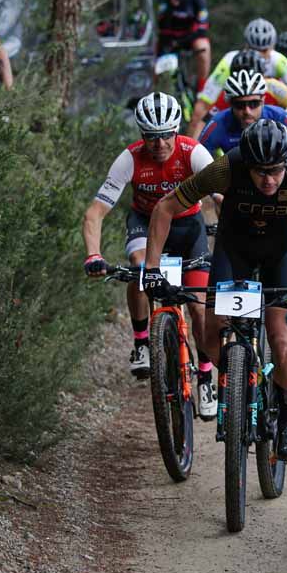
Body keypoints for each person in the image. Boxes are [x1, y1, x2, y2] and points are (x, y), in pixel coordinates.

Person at [144, 119, 287, 462]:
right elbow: (165, 207)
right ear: (246, 163)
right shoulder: (225, 168)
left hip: (281, 250)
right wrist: (152, 269)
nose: (268, 179)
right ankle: (237, 376)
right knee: (213, 333)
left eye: (275, 170)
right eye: (259, 171)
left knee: (280, 336)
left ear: (286, 162)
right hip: (236, 249)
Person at [83, 92, 215, 400]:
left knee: (198, 308)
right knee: (140, 270)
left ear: (176, 131)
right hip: (143, 222)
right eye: (152, 138)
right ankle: (142, 343)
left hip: (187, 229)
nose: (160, 145)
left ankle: (206, 377)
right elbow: (95, 212)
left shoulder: (193, 152)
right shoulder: (129, 158)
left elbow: (222, 194)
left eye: (167, 135)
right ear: (142, 136)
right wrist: (93, 254)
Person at [188, 18, 287, 137]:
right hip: (235, 102)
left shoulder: (278, 60)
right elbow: (205, 103)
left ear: (272, 47)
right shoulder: (230, 60)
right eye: (254, 49)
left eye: (264, 50)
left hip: (267, 105)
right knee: (198, 114)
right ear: (246, 45)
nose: (258, 54)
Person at [199, 69, 287, 165]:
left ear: (263, 100)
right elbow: (195, 165)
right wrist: (214, 195)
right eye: (239, 105)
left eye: (254, 104)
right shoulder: (217, 123)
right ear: (230, 104)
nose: (247, 111)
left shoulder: (280, 116)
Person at [155, 0, 211, 83]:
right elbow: (158, 23)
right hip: (168, 39)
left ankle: (203, 87)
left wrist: (182, 41)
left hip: (190, 38)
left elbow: (202, 28)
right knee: (153, 63)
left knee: (204, 48)